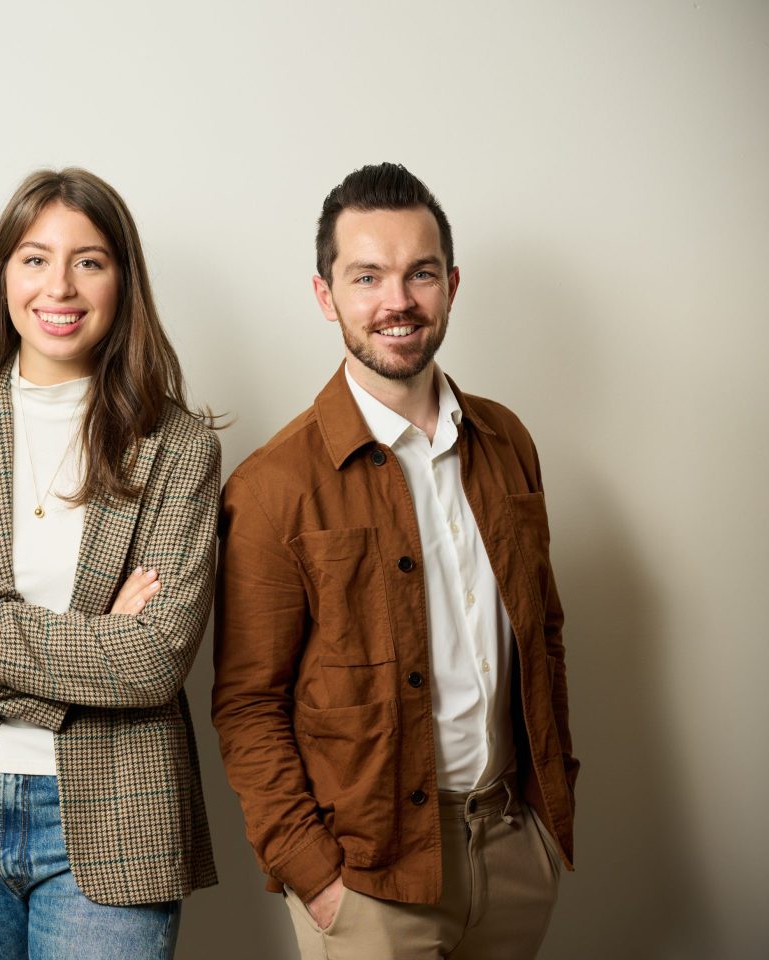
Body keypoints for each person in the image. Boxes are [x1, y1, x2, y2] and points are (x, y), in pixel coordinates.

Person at [212, 162, 577, 959]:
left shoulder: (507, 442)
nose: (397, 301)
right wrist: (317, 877)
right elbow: (247, 706)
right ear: (326, 295)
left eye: (418, 274)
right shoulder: (274, 486)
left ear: (449, 285)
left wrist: (546, 829)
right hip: (369, 880)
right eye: (367, 276)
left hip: (514, 846)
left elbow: (542, 629)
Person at [0, 168, 219, 960]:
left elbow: (153, 662)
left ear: (124, 281)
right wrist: (90, 652)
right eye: (34, 258)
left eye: (89, 260)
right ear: (3, 276)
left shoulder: (179, 447)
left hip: (117, 812)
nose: (60, 285)